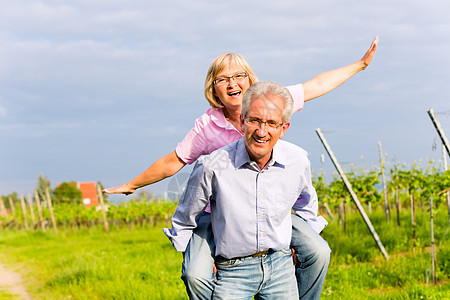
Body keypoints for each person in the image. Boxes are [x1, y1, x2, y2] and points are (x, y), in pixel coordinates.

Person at [104, 36, 379, 299]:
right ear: (214, 89)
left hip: (269, 206)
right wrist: (133, 184)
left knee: (318, 252)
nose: (232, 83)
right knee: (195, 274)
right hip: (220, 214)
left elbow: (316, 84)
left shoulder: (271, 101)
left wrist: (360, 65)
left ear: (250, 80)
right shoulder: (206, 127)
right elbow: (172, 161)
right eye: (223, 79)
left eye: (239, 76)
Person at [164, 81, 321, 299]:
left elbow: (307, 206)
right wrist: (196, 263)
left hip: (280, 265)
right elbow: (185, 218)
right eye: (255, 120)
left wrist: (300, 246)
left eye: (271, 123)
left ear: (283, 128)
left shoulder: (297, 161)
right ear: (242, 120)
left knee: (321, 252)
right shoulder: (212, 166)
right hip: (233, 271)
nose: (262, 131)